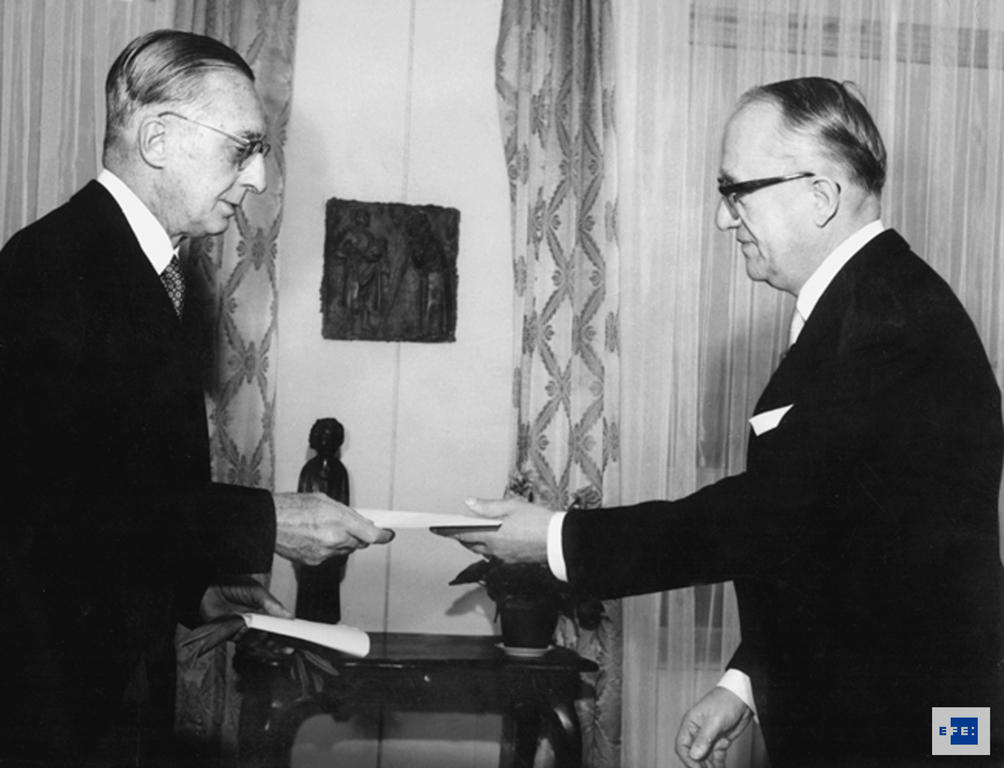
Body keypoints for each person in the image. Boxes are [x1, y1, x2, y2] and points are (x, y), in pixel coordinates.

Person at [446, 77, 1004, 767]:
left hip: (918, 731)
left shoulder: (892, 324)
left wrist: (555, 538)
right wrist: (743, 682)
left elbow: (770, 516)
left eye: (737, 191)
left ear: (821, 195)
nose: (723, 218)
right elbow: (837, 542)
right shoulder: (867, 308)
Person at [0, 30, 392, 766]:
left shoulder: (143, 269)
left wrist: (193, 592)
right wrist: (267, 522)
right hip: (49, 702)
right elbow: (48, 506)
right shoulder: (50, 271)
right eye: (243, 147)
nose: (260, 179)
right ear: (157, 138)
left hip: (107, 687)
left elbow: (121, 482)